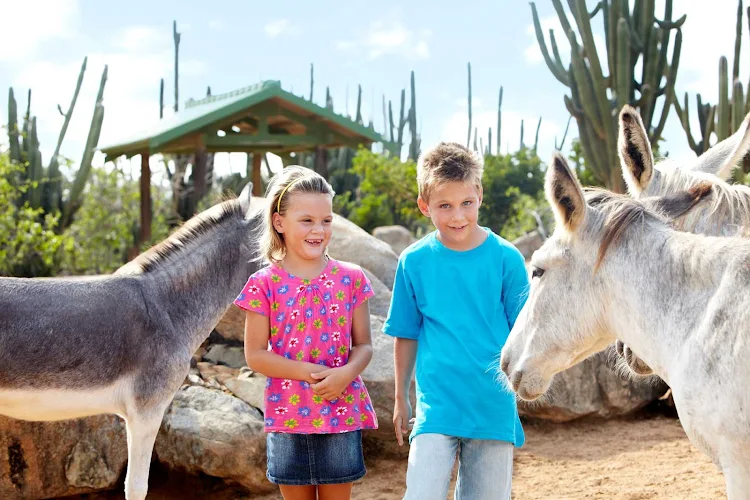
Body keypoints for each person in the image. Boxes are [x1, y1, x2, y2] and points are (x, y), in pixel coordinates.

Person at [384, 142, 529, 499]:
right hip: (437, 406)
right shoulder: (413, 261)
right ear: (424, 205)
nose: (457, 216)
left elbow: (524, 335)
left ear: (479, 194)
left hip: (492, 405)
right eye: (444, 206)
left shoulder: (507, 259)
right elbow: (405, 333)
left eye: (466, 203)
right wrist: (401, 397)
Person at [234, 165, 378, 500]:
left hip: (341, 414)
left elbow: (365, 345)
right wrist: (307, 374)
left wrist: (344, 374)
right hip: (287, 418)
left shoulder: (352, 278)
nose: (319, 230)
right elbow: (254, 354)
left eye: (326, 220)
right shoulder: (263, 284)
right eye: (307, 220)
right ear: (279, 222)